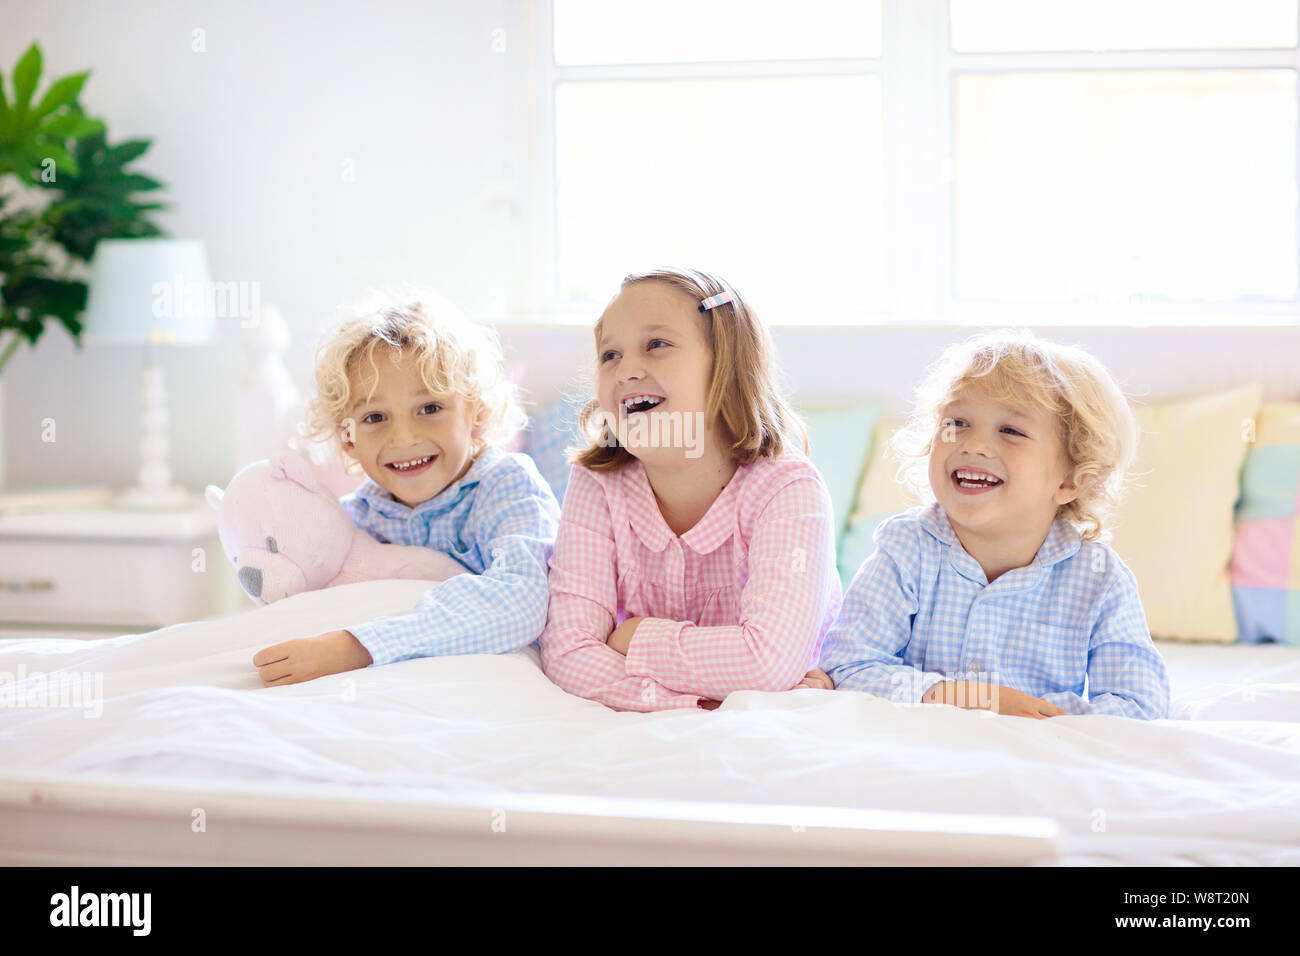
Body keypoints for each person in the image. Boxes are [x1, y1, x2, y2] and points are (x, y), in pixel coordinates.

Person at [819, 329, 1170, 719]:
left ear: (1070, 480)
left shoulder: (1099, 578)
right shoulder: (905, 548)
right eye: (956, 422)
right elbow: (848, 666)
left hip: (1037, 759)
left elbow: (1141, 703)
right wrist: (969, 700)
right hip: (921, 752)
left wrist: (1044, 717)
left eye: (1011, 431)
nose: (972, 444)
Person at [538, 267, 841, 712]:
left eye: (656, 345)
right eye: (610, 355)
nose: (627, 370)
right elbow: (567, 654)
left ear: (726, 364)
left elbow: (768, 663)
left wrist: (634, 636)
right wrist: (695, 703)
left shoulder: (787, 488)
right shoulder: (597, 484)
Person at [252, 288, 559, 685]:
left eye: (430, 408)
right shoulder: (355, 517)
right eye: (376, 417)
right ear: (348, 438)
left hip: (484, 686)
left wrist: (357, 646)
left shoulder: (507, 486)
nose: (403, 438)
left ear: (477, 414)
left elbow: (523, 601)